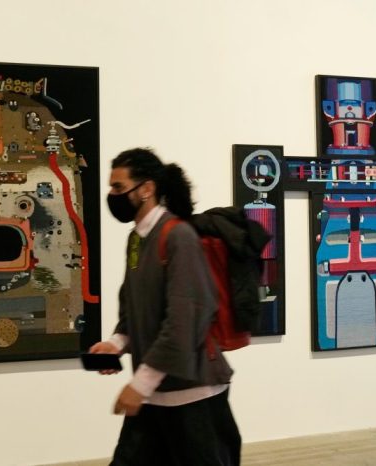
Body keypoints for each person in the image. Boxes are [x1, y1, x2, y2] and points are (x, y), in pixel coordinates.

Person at [90, 147, 241, 466]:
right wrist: (116, 343)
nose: (112, 196)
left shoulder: (178, 236)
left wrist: (140, 384)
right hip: (154, 394)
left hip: (192, 394)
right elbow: (134, 307)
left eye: (118, 187)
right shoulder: (136, 239)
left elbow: (185, 320)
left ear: (146, 188)